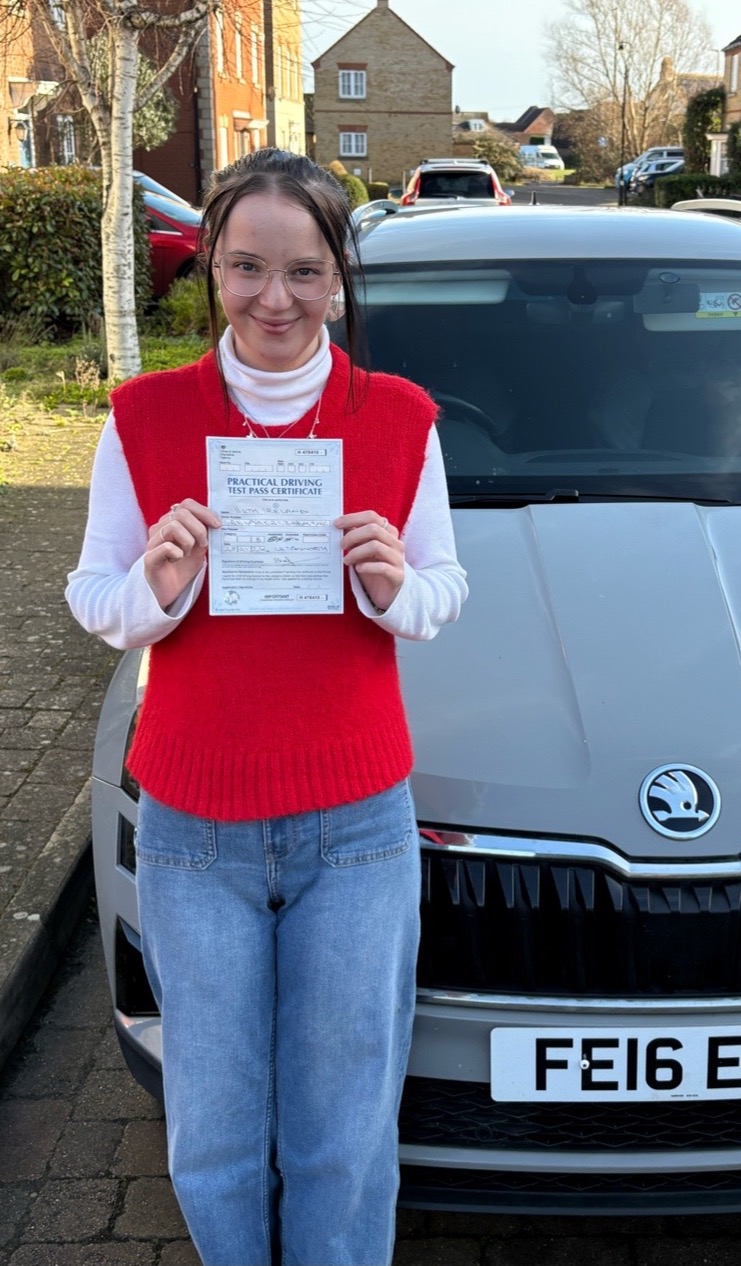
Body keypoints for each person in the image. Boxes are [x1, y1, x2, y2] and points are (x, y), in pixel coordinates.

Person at [66, 149, 467, 1266]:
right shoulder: (146, 418)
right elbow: (95, 601)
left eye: (303, 270)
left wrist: (395, 587)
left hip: (357, 831)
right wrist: (156, 582)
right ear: (212, 269)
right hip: (197, 836)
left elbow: (443, 588)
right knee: (214, 1131)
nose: (275, 299)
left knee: (343, 1133)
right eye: (247, 268)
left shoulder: (395, 418)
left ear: (339, 273)